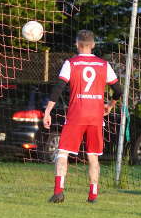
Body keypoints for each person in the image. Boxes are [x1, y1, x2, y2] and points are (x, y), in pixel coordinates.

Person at [43, 29, 122, 204]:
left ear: (77, 44)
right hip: (95, 116)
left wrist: (48, 111)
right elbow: (118, 90)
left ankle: (58, 192)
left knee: (62, 153)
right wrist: (110, 105)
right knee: (93, 156)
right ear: (93, 45)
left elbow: (58, 88)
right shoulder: (103, 65)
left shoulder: (71, 63)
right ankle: (93, 195)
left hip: (76, 115)